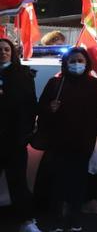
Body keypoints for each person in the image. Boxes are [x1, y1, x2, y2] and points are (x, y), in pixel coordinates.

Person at [36, 47, 97, 232]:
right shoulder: (56, 83)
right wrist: (49, 109)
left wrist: (95, 127)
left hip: (83, 143)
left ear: (87, 63)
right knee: (58, 183)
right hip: (58, 143)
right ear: (65, 63)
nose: (77, 64)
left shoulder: (95, 85)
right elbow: (41, 110)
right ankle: (57, 221)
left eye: (80, 60)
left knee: (78, 183)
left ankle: (75, 220)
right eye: (72, 61)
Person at [0, 38, 41, 232]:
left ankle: (27, 221)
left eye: (6, 49)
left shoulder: (23, 74)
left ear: (12, 52)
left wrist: (24, 134)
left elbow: (30, 106)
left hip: (14, 141)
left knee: (18, 183)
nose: (3, 52)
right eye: (0, 49)